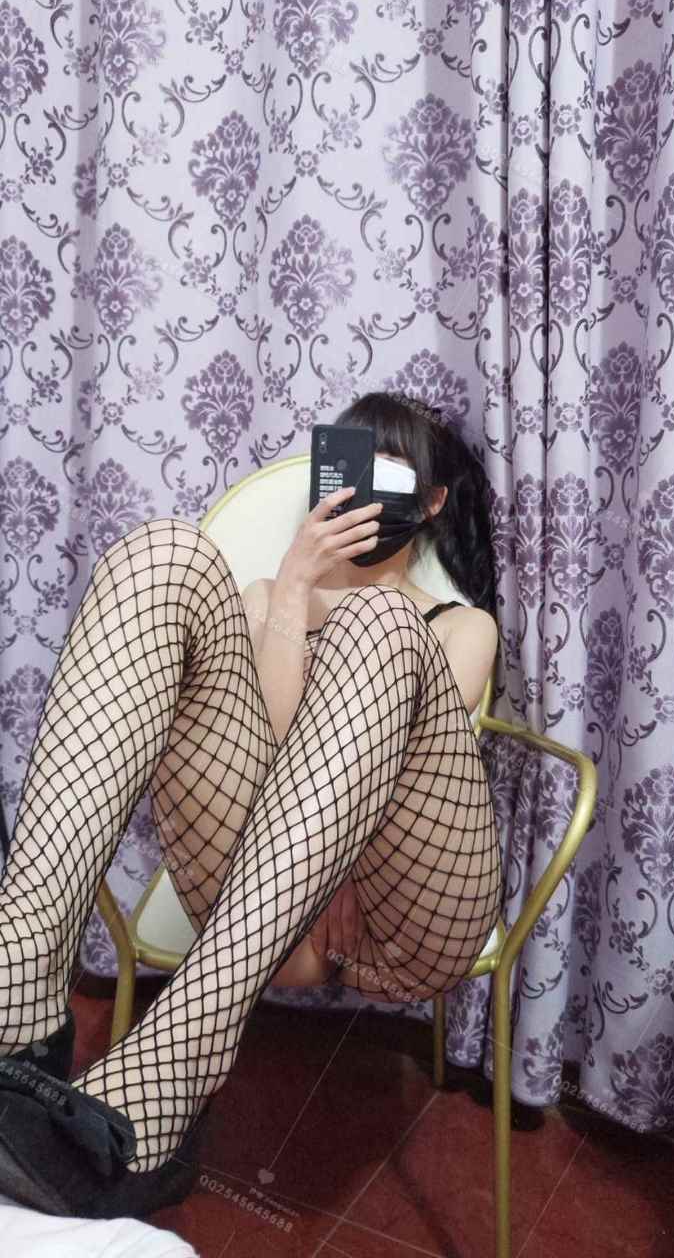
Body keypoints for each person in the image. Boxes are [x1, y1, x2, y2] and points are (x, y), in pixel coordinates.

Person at [0, 390, 501, 1219]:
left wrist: (339, 865)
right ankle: (20, 986)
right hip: (261, 915)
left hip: (404, 914)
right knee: (162, 552)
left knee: (378, 622)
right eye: (353, 471)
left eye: (393, 476)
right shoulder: (267, 598)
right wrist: (293, 587)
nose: (366, 496)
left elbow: (405, 776)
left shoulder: (459, 625)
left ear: (431, 501)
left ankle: (175, 1060)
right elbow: (258, 759)